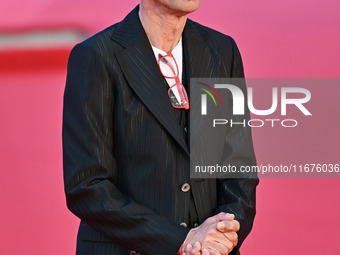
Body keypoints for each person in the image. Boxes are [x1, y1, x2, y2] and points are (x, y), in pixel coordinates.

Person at [62, 0, 259, 254]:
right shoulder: (96, 55)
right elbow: (86, 185)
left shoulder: (222, 50)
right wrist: (179, 240)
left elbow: (238, 166)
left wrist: (223, 234)